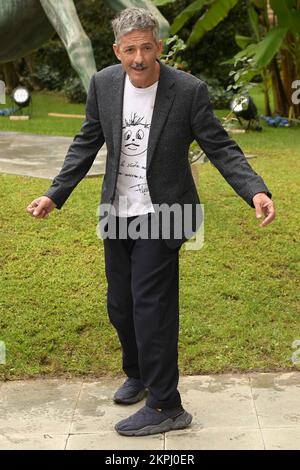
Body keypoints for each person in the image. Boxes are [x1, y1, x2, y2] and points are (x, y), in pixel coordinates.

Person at [26, 8, 275, 437]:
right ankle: (139, 374)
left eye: (146, 47)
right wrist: (54, 192)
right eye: (129, 49)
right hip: (116, 213)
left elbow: (220, 146)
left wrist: (254, 188)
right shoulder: (103, 84)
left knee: (150, 306)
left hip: (165, 214)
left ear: (158, 47)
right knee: (120, 305)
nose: (138, 58)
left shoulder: (187, 91)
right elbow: (87, 140)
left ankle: (166, 405)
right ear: (117, 51)